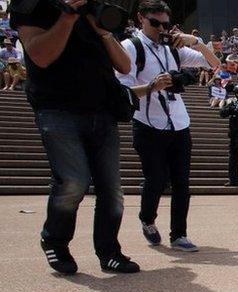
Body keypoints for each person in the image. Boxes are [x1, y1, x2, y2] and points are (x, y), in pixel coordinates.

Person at [12, 0, 139, 274]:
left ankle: (110, 252)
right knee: (73, 182)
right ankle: (55, 241)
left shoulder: (96, 8)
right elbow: (40, 56)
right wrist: (67, 16)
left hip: (102, 109)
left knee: (112, 190)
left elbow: (125, 66)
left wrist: (103, 31)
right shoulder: (31, 4)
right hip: (57, 108)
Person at [117, 0, 220, 253]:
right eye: (155, 23)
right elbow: (121, 90)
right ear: (141, 18)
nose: (161, 29)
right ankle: (147, 218)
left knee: (182, 182)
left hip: (179, 122)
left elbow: (214, 63)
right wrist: (153, 86)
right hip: (148, 123)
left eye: (165, 24)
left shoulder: (173, 49)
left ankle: (179, 235)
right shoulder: (131, 47)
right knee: (156, 179)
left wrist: (193, 41)